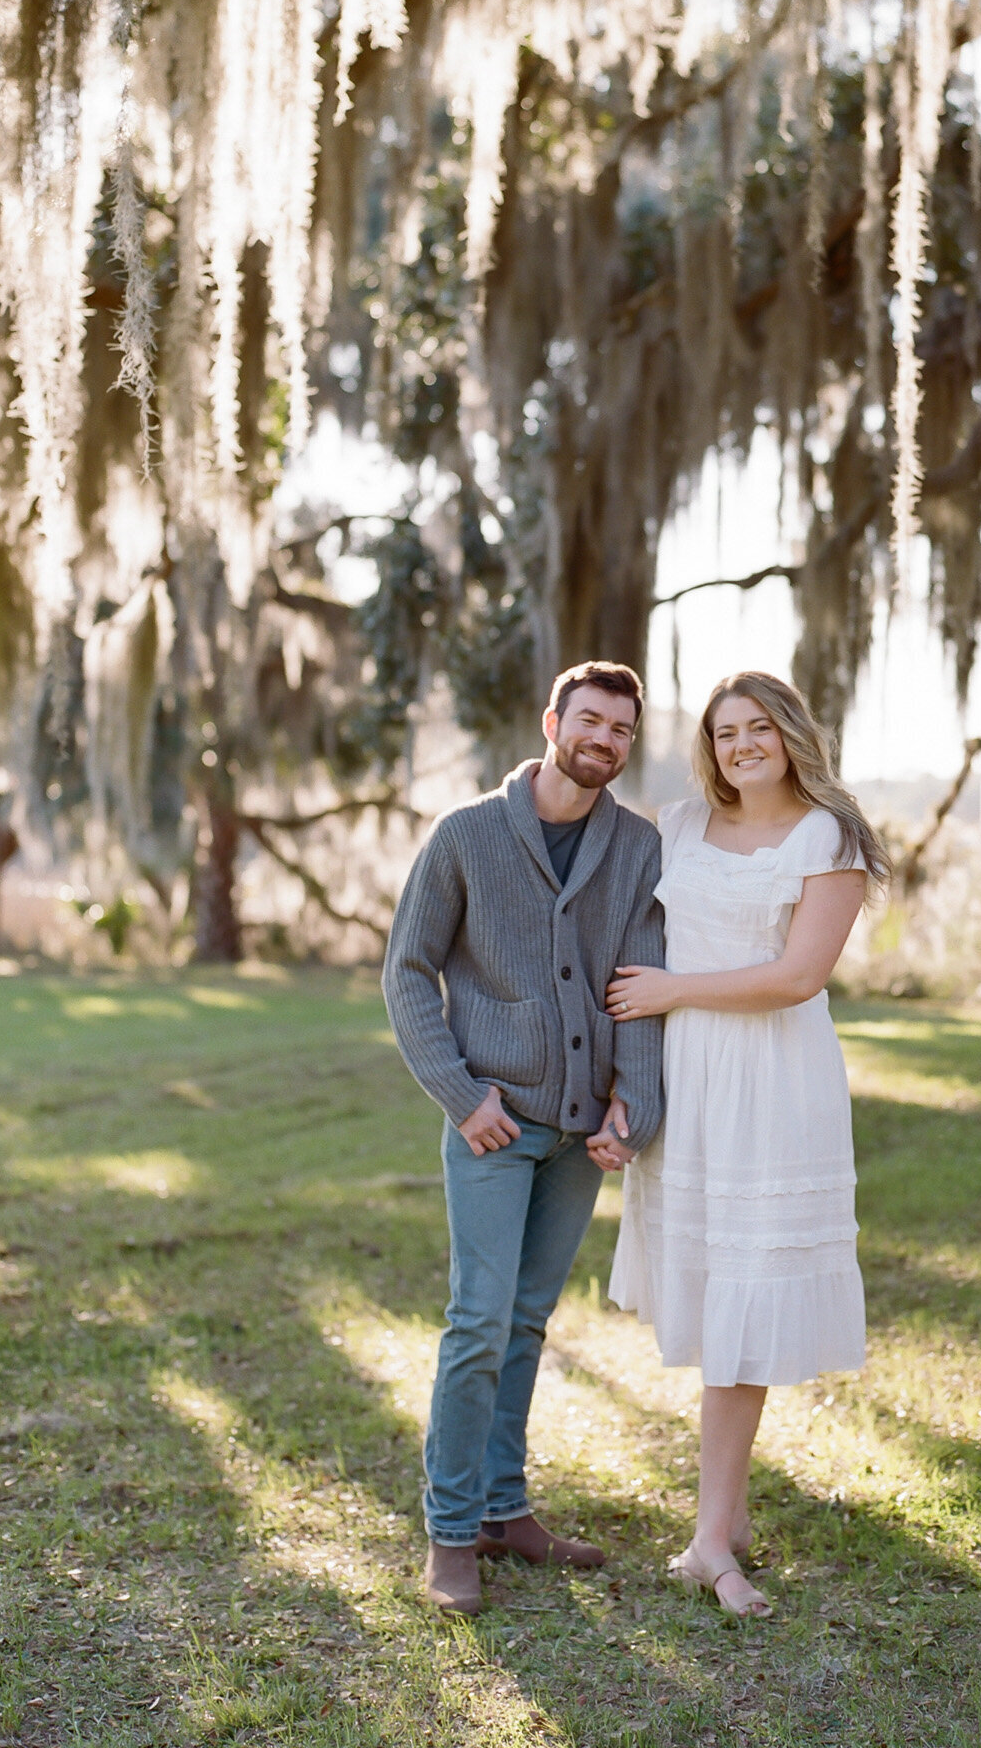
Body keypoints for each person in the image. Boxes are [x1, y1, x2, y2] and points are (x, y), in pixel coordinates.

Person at [384, 661, 665, 1617]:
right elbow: (408, 970)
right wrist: (461, 1097)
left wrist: (635, 1100)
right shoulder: (465, 835)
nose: (603, 741)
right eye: (589, 721)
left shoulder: (636, 846)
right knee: (475, 1325)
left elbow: (640, 979)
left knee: (526, 1323)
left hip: (579, 1132)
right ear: (552, 721)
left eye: (621, 730)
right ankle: (452, 1533)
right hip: (494, 1126)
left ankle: (506, 1510)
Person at [606, 670, 889, 1618]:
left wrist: (673, 989)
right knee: (711, 1306)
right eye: (725, 733)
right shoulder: (679, 826)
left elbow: (799, 975)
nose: (741, 746)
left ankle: (711, 1540)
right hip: (687, 1085)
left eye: (758, 727)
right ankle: (711, 1536)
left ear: (790, 734)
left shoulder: (830, 836)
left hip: (773, 1088)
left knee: (745, 1310)